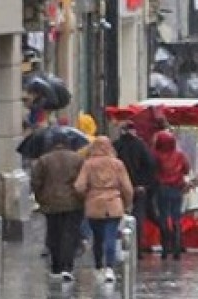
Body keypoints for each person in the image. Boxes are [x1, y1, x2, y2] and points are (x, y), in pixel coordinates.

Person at [74, 136, 133, 283]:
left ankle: (99, 266)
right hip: (114, 204)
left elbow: (79, 186)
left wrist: (85, 196)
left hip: (94, 205)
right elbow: (127, 188)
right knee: (111, 236)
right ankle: (109, 268)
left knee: (97, 238)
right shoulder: (118, 164)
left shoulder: (88, 164)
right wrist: (126, 203)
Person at [32, 131, 86, 279]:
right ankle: (67, 266)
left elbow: (36, 182)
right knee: (69, 234)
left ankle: (56, 266)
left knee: (54, 234)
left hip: (50, 203)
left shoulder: (43, 160)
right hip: (72, 202)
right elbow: (83, 181)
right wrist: (81, 198)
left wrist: (40, 198)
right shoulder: (78, 159)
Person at [113, 121, 156, 254]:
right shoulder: (141, 145)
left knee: (119, 217)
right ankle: (137, 249)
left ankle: (120, 247)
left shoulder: (116, 145)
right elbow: (151, 164)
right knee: (138, 217)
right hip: (138, 187)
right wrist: (144, 183)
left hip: (119, 188)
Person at [152, 130, 190, 259]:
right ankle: (177, 246)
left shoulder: (156, 156)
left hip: (162, 189)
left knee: (163, 217)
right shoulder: (180, 156)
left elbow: (153, 171)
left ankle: (165, 247)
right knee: (176, 217)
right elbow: (186, 169)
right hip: (177, 189)